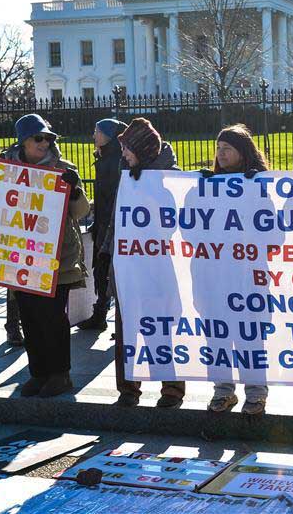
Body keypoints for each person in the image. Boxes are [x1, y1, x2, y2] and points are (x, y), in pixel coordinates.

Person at [102, 117, 186, 409]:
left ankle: (172, 389)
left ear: (143, 149)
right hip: (128, 265)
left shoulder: (170, 178)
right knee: (126, 329)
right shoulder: (128, 174)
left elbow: (176, 224)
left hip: (160, 266)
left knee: (161, 326)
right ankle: (128, 388)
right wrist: (108, 250)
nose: (123, 154)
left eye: (127, 148)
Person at [3, 114, 89, 398]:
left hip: (57, 257)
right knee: (29, 317)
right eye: (38, 137)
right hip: (21, 256)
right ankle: (38, 373)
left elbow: (81, 213)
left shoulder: (64, 169)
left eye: (48, 138)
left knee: (53, 317)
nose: (45, 143)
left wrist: (74, 189)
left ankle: (60, 374)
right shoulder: (7, 169)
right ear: (24, 141)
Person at [200, 124, 270, 415]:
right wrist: (197, 194)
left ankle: (255, 393)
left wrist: (256, 193)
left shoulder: (261, 185)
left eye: (227, 148)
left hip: (248, 275)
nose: (220, 154)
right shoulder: (206, 186)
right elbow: (191, 232)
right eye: (218, 148)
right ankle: (223, 391)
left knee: (250, 335)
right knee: (217, 335)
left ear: (243, 153)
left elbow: (274, 234)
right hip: (213, 277)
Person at [77, 118, 127, 331]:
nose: (93, 135)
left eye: (97, 131)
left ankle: (108, 317)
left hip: (110, 222)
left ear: (108, 135)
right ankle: (101, 313)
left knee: (109, 270)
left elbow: (114, 194)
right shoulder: (107, 157)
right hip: (105, 220)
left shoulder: (113, 160)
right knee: (104, 269)